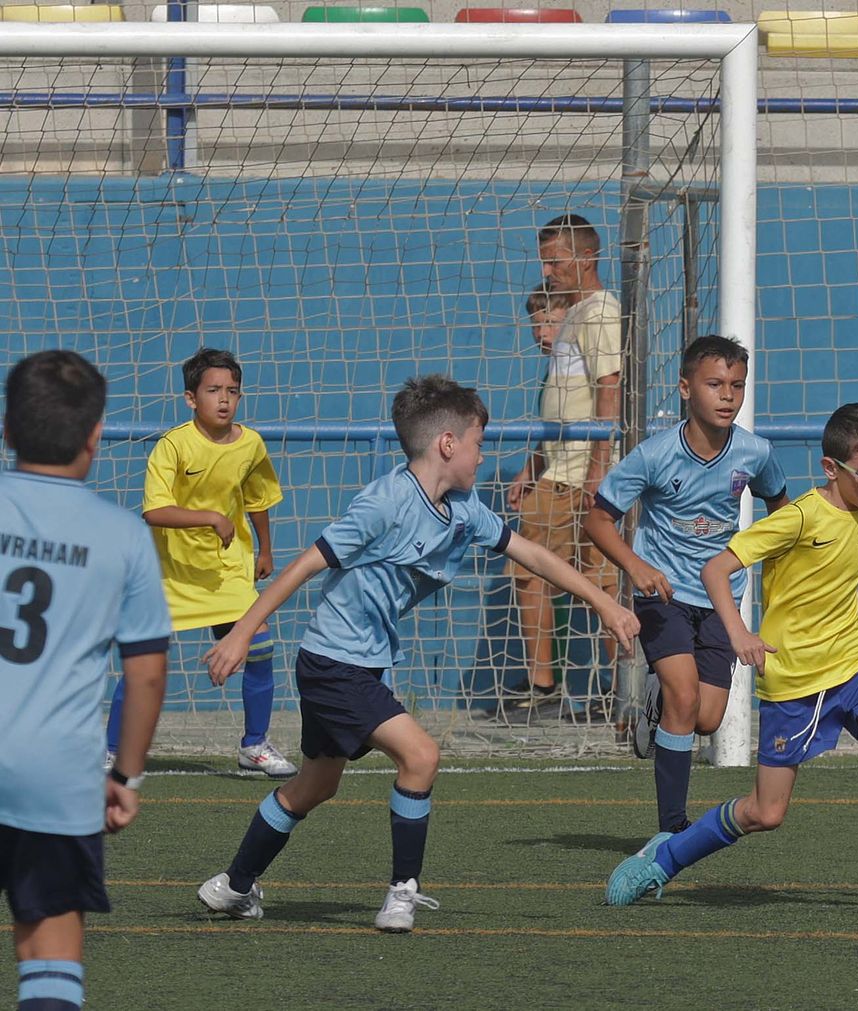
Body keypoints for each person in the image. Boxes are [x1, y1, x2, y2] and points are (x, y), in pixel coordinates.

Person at [197, 375, 639, 932]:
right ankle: (401, 895)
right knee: (421, 757)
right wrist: (241, 633)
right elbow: (306, 564)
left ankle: (233, 885)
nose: (484, 455)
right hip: (335, 660)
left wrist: (604, 602)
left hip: (357, 660)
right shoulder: (384, 502)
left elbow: (533, 555)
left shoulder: (464, 508)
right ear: (447, 444)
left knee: (317, 784)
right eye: (479, 442)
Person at [605, 403, 858, 916]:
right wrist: (738, 632)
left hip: (853, 667)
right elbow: (717, 568)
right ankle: (663, 860)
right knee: (765, 812)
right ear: (832, 468)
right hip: (794, 681)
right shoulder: (799, 517)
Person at [0, 350, 170, 1011]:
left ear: (8, 428)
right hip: (57, 773)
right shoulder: (122, 535)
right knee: (49, 946)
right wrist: (125, 776)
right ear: (97, 435)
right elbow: (148, 674)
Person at [582, 336, 789, 836]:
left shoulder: (755, 453)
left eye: (736, 386)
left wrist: (769, 560)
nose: (727, 396)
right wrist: (634, 566)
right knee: (684, 693)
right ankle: (671, 830)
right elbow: (598, 520)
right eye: (714, 384)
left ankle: (652, 705)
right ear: (684, 388)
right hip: (663, 594)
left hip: (722, 598)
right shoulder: (654, 455)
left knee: (708, 718)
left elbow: (782, 511)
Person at [105, 348, 293, 778]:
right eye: (213, 391)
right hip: (171, 573)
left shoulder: (251, 444)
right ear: (192, 399)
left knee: (261, 645)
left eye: (232, 391)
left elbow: (258, 498)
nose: (224, 399)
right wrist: (209, 517)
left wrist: (265, 549)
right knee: (145, 659)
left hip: (226, 570)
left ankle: (254, 745)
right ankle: (112, 750)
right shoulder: (174, 445)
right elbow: (154, 512)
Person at [504, 217, 622, 719]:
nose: (547, 271)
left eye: (555, 261)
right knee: (533, 574)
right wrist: (531, 465)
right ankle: (545, 685)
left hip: (582, 477)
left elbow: (609, 389)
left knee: (603, 584)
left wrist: (598, 473)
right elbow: (562, 404)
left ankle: (624, 689)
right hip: (556, 471)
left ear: (586, 259)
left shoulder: (600, 312)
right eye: (544, 261)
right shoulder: (571, 316)